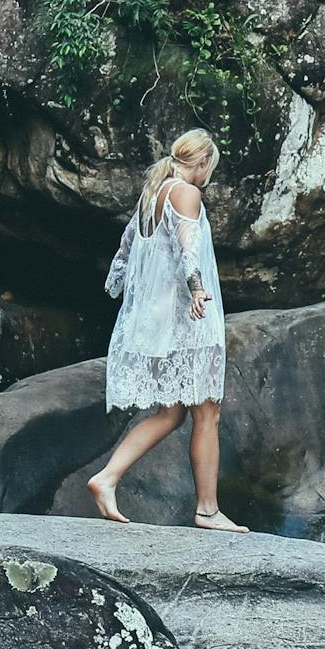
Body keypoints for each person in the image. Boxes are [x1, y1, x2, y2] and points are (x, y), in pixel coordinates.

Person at [87, 128, 247, 532]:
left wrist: (117, 289)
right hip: (188, 318)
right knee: (208, 410)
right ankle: (208, 510)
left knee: (171, 412)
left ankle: (107, 478)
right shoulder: (186, 193)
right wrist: (196, 290)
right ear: (204, 162)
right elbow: (187, 248)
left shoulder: (153, 193)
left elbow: (125, 250)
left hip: (160, 320)